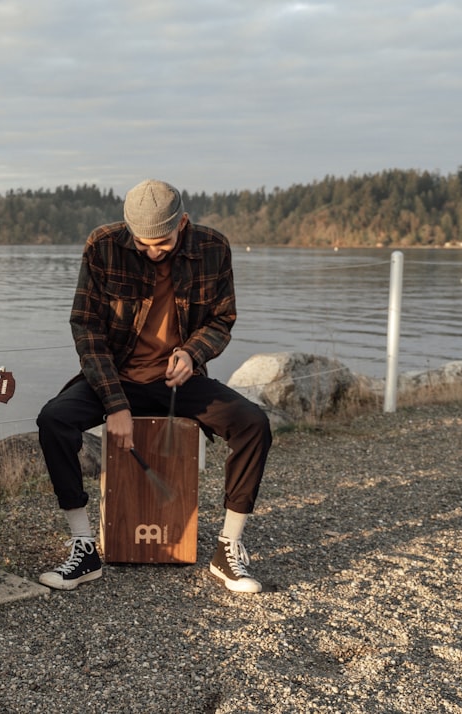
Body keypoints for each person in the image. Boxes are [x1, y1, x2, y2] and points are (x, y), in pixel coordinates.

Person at [36, 179, 272, 594]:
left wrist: (193, 353)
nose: (150, 251)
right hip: (114, 374)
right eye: (141, 243)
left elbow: (221, 319)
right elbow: (86, 328)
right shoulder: (103, 245)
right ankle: (83, 548)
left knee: (253, 424)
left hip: (178, 380)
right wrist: (115, 404)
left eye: (160, 243)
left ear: (182, 222)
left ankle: (228, 549)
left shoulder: (214, 247)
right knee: (54, 420)